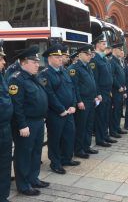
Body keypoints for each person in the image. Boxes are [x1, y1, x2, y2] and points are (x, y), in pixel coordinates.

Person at [8, 45, 50, 196]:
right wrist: (22, 125)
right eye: (34, 62)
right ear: (24, 62)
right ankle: (23, 184)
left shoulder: (33, 77)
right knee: (24, 154)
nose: (37, 64)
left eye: (37, 62)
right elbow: (16, 105)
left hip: (38, 121)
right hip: (27, 124)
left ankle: (33, 178)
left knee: (36, 152)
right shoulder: (16, 79)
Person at [38, 44, 80, 175]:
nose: (60, 59)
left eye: (61, 56)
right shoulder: (45, 74)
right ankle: (55, 163)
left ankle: (66, 158)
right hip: (56, 114)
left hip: (69, 111)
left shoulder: (64, 71)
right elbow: (49, 94)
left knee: (69, 136)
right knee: (55, 139)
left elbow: (72, 89)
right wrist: (61, 109)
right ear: (50, 58)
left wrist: (73, 104)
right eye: (57, 57)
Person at [68, 45, 99, 159]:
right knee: (81, 126)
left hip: (91, 100)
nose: (89, 56)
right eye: (87, 54)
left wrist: (95, 95)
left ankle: (86, 146)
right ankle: (78, 149)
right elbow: (74, 87)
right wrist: (79, 101)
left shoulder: (87, 66)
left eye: (90, 54)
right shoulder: (74, 68)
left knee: (89, 125)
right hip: (83, 101)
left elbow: (92, 82)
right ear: (80, 54)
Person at [89, 34, 117, 147]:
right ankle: (100, 139)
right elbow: (94, 78)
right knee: (100, 116)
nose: (105, 45)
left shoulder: (104, 58)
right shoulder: (95, 59)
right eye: (103, 43)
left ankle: (105, 136)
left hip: (107, 91)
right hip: (101, 92)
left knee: (106, 115)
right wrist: (98, 93)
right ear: (97, 45)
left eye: (105, 43)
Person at [0, 40, 14, 202]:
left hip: (5, 127)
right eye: (1, 58)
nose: (4, 61)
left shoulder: (2, 76)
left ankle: (3, 196)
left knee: (4, 163)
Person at [110, 45, 128, 137]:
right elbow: (112, 76)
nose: (121, 51)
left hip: (121, 90)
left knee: (118, 111)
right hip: (116, 90)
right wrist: (118, 86)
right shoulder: (112, 61)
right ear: (115, 50)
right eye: (120, 50)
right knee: (115, 111)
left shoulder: (118, 61)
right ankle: (113, 131)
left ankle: (117, 128)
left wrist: (123, 87)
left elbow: (121, 75)